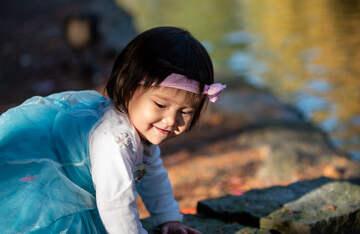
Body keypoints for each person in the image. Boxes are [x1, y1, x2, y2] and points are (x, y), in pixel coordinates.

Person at [0, 26, 226, 233]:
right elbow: (117, 205)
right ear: (128, 90)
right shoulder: (114, 139)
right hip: (49, 189)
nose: (170, 120)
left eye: (185, 111)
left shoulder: (143, 133)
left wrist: (169, 219)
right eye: (160, 105)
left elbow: (153, 176)